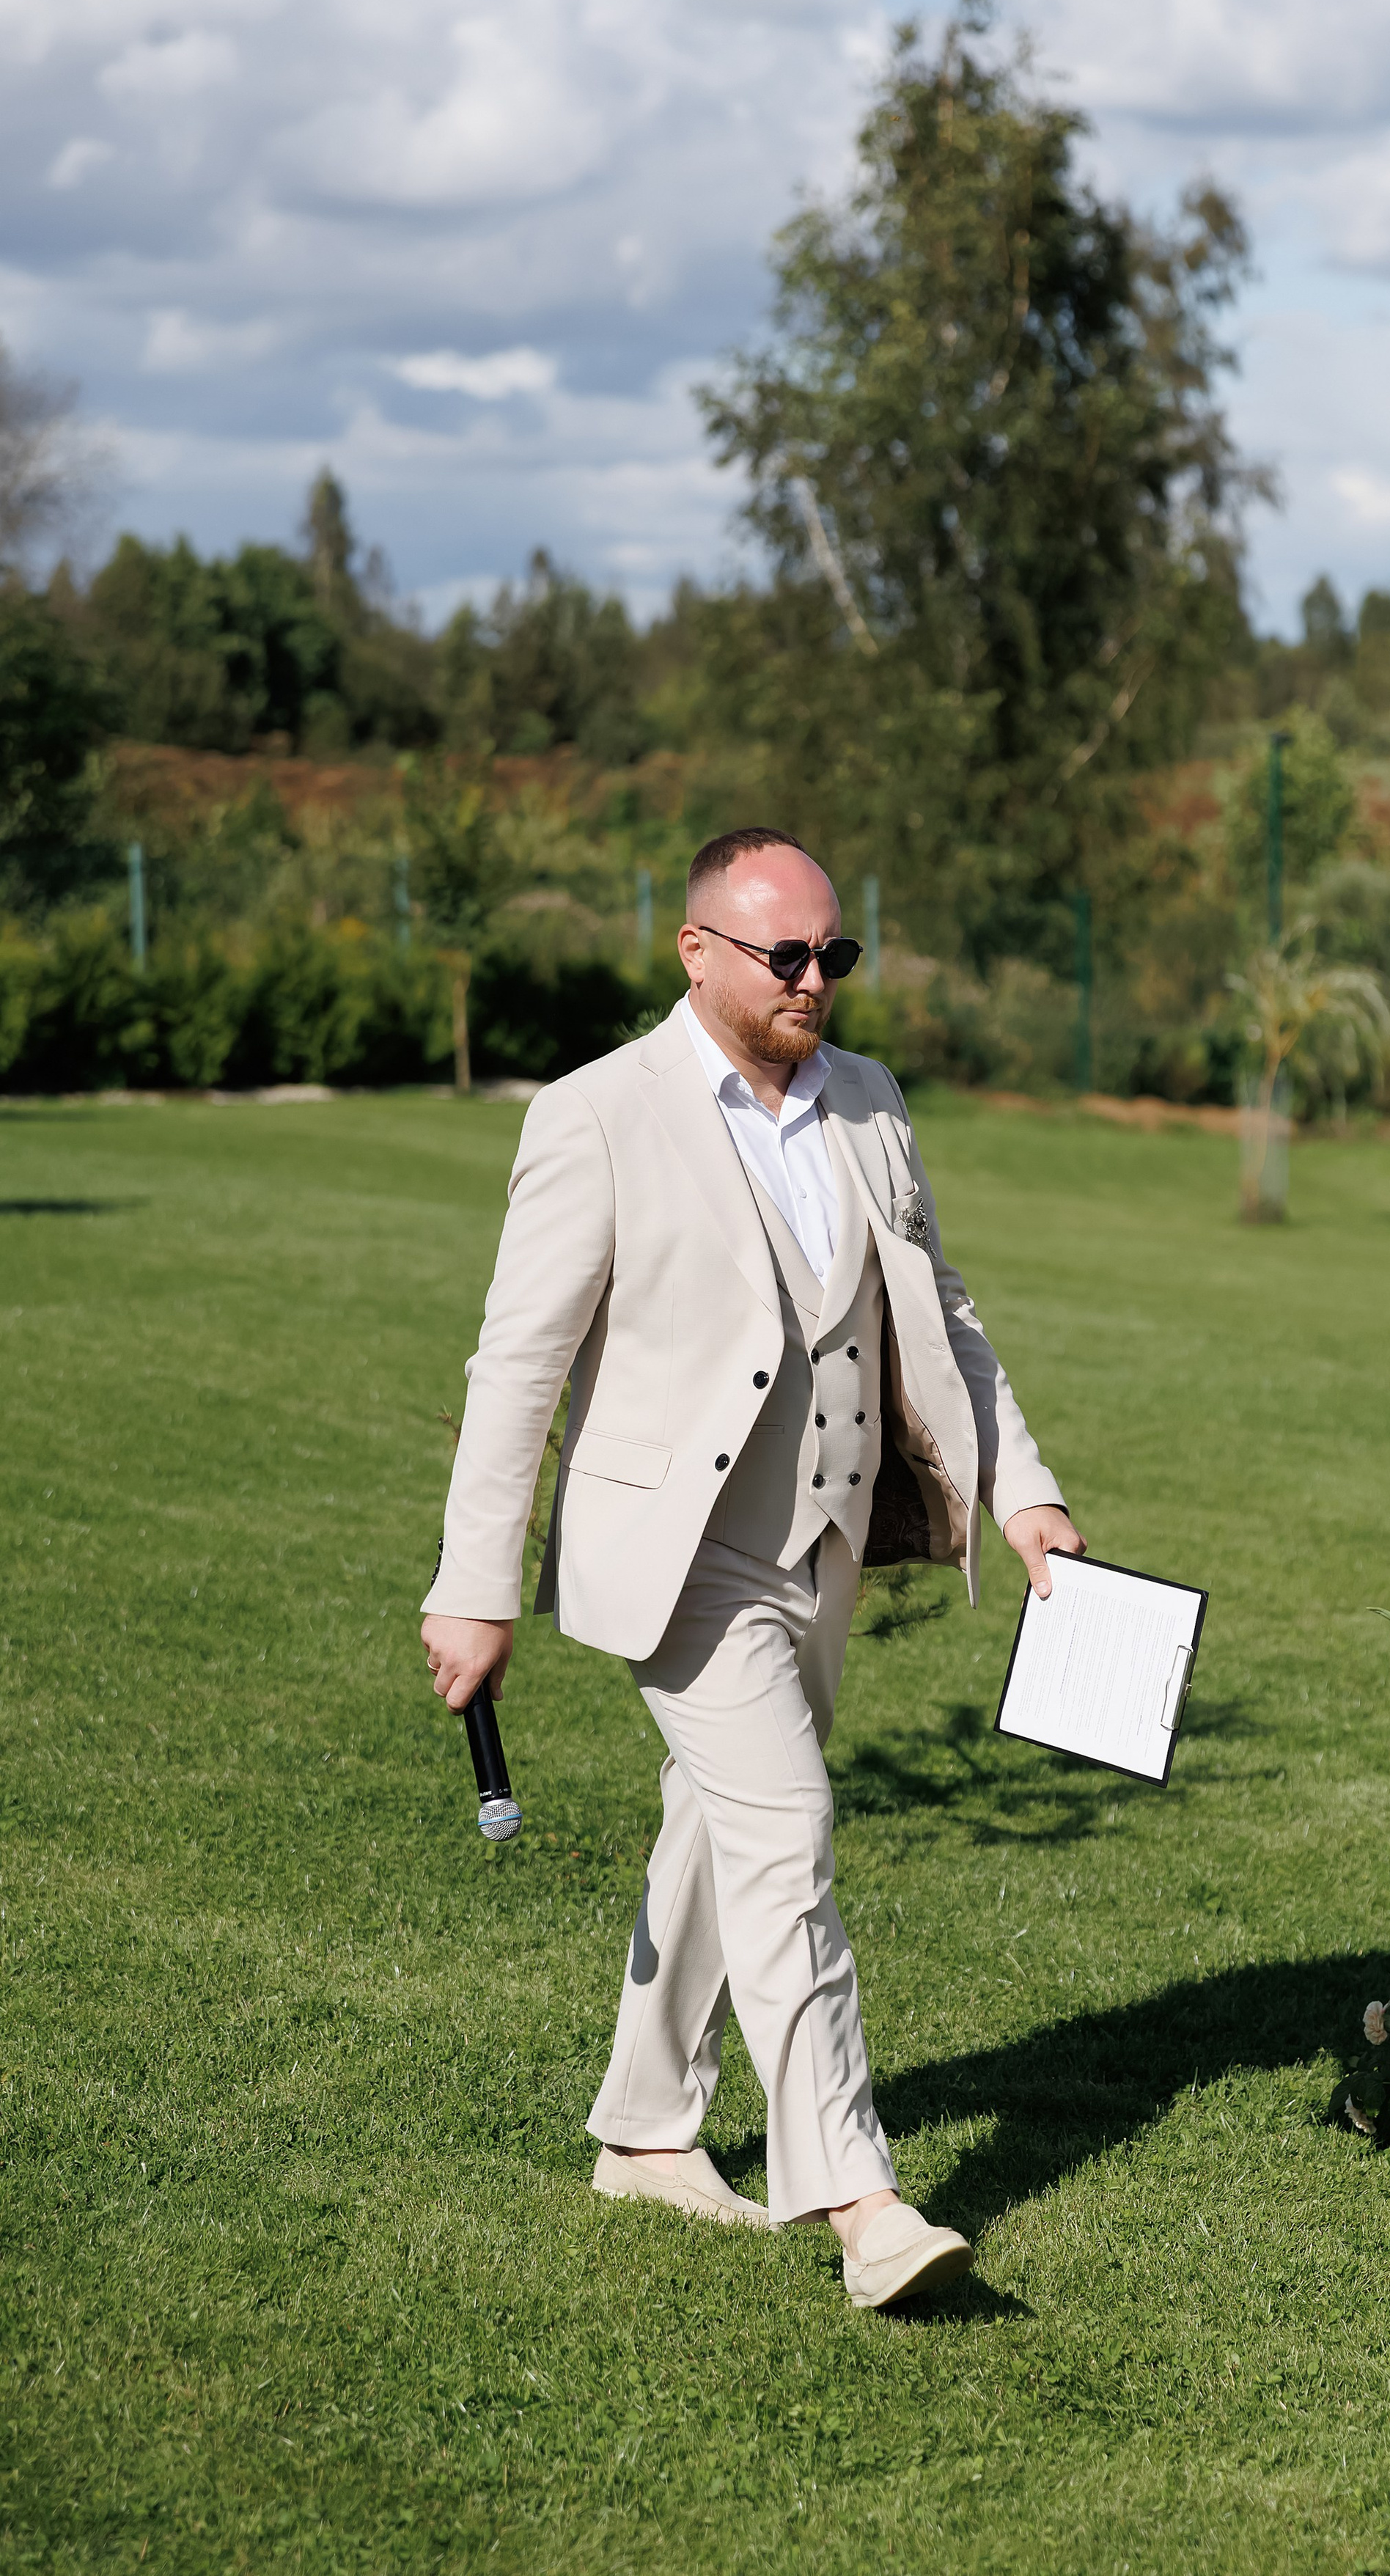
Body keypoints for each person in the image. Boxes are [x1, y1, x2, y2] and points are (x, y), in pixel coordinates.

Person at [419, 826, 1082, 2309]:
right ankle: (858, 2199)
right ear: (695, 950)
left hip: (827, 1539)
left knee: (717, 1834)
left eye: (832, 955)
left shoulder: (868, 1100)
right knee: (784, 1835)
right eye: (783, 955)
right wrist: (475, 1579)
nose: (812, 980)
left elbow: (942, 1315)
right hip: (679, 1557)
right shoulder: (598, 1114)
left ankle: (645, 2133)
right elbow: (517, 1361)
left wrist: (1022, 1493)